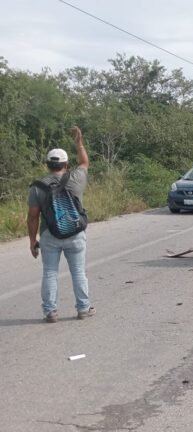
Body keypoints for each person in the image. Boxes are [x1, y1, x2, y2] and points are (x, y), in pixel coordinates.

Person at [27, 126, 93, 323]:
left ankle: (50, 312)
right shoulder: (76, 178)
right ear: (66, 164)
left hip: (50, 235)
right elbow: (84, 162)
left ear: (47, 164)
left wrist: (33, 241)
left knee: (49, 273)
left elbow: (32, 217)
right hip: (75, 233)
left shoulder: (38, 186)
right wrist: (79, 143)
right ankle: (83, 308)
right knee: (79, 272)